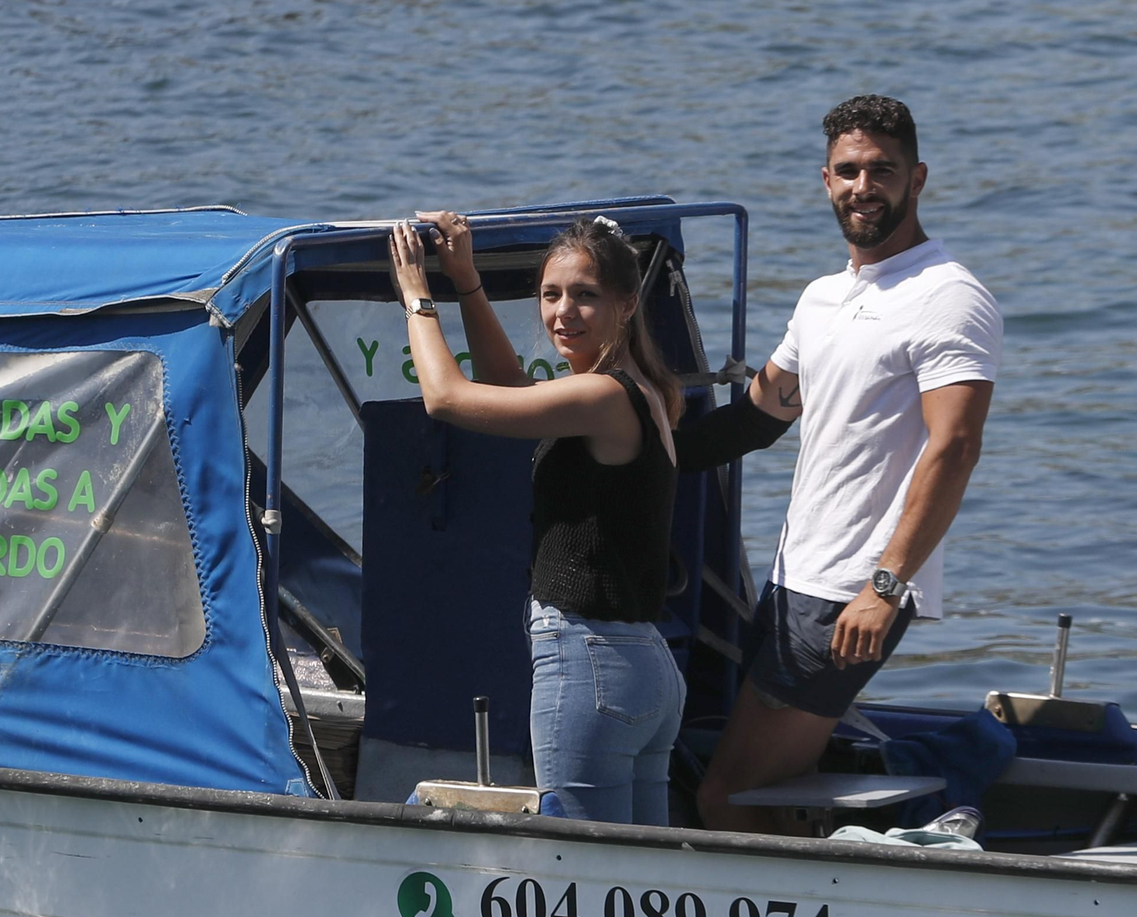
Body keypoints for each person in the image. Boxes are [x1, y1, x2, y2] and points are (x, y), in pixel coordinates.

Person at [694, 94, 1004, 833]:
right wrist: (635, 448)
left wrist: (886, 585)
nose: (864, 187)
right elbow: (760, 416)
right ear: (825, 180)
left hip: (851, 591)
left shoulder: (947, 296)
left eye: (882, 171)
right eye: (849, 171)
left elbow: (954, 446)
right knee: (769, 790)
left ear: (917, 178)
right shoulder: (823, 298)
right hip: (796, 579)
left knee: (725, 797)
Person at [389, 212, 691, 824]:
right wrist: (467, 280)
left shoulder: (603, 396)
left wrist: (417, 293)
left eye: (585, 296)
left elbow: (445, 397)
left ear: (627, 304)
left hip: (590, 659)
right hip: (647, 669)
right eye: (550, 295)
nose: (562, 313)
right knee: (637, 878)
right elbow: (509, 384)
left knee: (580, 867)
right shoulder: (644, 389)